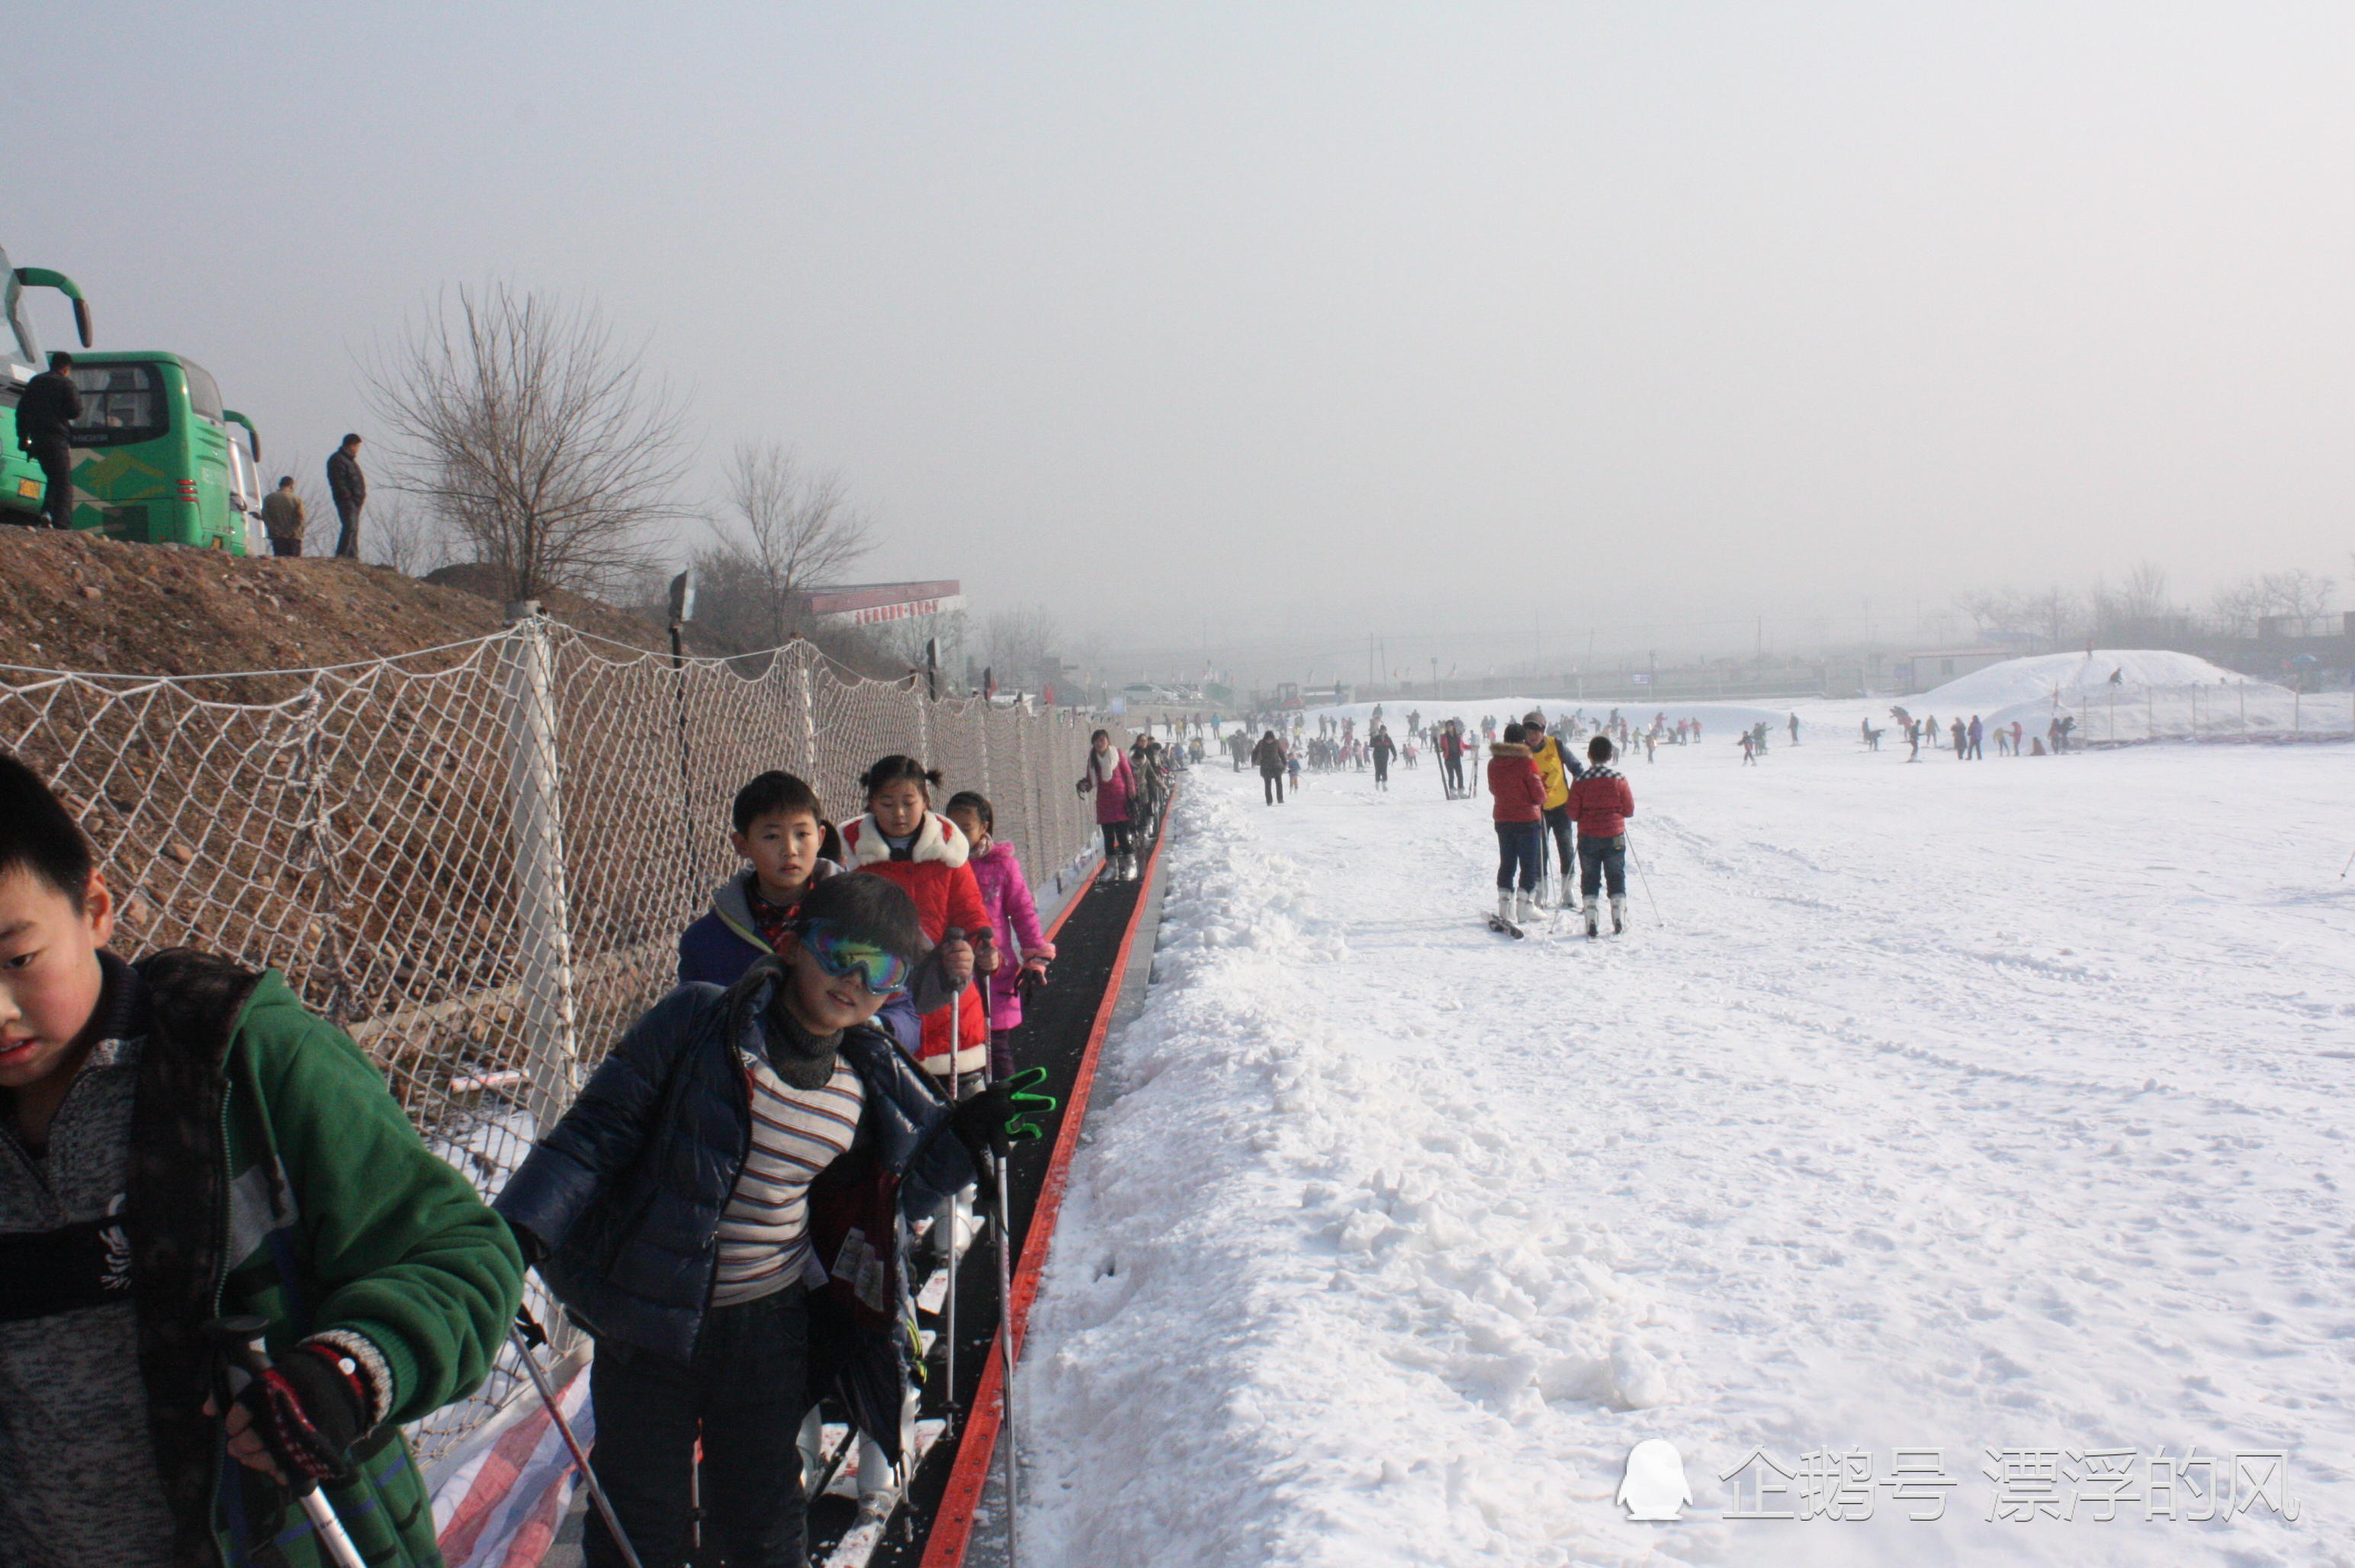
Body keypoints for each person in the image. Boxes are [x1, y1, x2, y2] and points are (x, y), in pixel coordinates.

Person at [0, 753, 522, 1568]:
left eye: (18, 958)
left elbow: (459, 1254)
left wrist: (347, 1371)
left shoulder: (243, 1062)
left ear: (95, 908)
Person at [496, 874, 1021, 1568]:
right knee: (638, 1513)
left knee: (764, 1512)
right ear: (795, 942)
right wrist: (514, 1239)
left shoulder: (864, 1080)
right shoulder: (701, 1020)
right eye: (840, 953)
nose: (855, 980)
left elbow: (890, 1205)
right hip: (650, 1319)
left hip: (767, 1325)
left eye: (883, 970)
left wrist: (963, 1143)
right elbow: (596, 1134)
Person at [676, 770, 962, 1061]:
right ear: (742, 844)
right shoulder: (707, 940)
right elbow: (697, 1026)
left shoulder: (867, 912)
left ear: (821, 835)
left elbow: (906, 1014)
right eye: (772, 836)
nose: (789, 850)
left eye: (802, 834)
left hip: (842, 1084)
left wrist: (868, 1031)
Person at [839, 757, 991, 1094]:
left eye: (909, 803)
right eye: (887, 804)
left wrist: (982, 950)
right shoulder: (851, 860)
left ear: (926, 801)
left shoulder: (949, 856)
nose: (900, 814)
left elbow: (971, 917)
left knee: (964, 1103)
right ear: (870, 803)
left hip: (948, 997)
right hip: (879, 996)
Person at [944, 791, 1054, 1080]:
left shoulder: (1001, 865)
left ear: (983, 828)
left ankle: (1008, 1113)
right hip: (952, 969)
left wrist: (1035, 955)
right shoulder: (941, 864)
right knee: (958, 1045)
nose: (958, 835)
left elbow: (1022, 910)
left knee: (996, 1047)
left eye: (966, 828)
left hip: (995, 969)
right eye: (951, 827)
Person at [1566, 734, 1635, 937]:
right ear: (1609, 755)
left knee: (1590, 876)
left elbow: (1573, 813)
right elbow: (1629, 809)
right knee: (1616, 874)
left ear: (1589, 755)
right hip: (1614, 834)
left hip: (1588, 835)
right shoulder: (1619, 779)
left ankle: (1591, 919)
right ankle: (1618, 916)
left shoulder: (1580, 781)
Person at [15, 351, 82, 529]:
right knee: (63, 482)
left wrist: (23, 439)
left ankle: (47, 513)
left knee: (54, 477)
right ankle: (61, 524)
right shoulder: (66, 384)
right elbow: (75, 411)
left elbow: (21, 412)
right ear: (66, 369)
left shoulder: (35, 382)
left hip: (37, 439)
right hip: (56, 439)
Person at [1488, 722, 1546, 924]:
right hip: (1527, 820)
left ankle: (1505, 906)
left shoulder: (1494, 763)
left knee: (1507, 862)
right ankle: (1526, 906)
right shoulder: (1527, 763)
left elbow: (1493, 789)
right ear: (1522, 741)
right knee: (1529, 864)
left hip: (1503, 817)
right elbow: (1538, 795)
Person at [1521, 710, 1579, 907]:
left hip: (1561, 806)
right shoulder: (1522, 751)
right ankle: (1541, 892)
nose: (1532, 736)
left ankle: (1567, 891)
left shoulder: (1556, 745)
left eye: (1536, 731)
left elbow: (1576, 767)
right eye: (1528, 732)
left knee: (1566, 848)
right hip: (1537, 811)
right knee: (1540, 852)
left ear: (1543, 731)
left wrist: (1581, 790)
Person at [1078, 729, 1139, 874]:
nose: (1099, 743)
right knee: (1108, 835)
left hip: (1120, 799)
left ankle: (1131, 865)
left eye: (1102, 740)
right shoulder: (1092, 759)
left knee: (1122, 834)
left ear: (1108, 741)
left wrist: (1132, 797)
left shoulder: (1117, 754)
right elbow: (1090, 781)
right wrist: (1084, 785)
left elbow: (1128, 776)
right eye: (1096, 741)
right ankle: (1112, 867)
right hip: (1104, 801)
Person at [326, 433, 366, 560]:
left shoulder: (350, 461)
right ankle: (343, 555)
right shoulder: (338, 459)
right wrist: (347, 495)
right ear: (352, 445)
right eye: (357, 446)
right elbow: (338, 481)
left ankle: (352, 556)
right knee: (350, 526)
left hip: (355, 500)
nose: (358, 449)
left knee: (354, 528)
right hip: (346, 500)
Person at [260, 475, 307, 557]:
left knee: (280, 561)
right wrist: (289, 532)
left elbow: (265, 517)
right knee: (294, 563)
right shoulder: (297, 499)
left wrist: (276, 530)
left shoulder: (269, 498)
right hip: (293, 537)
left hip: (277, 537)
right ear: (292, 486)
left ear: (280, 485)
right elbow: (301, 518)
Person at [1252, 728, 1287, 805]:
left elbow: (1281, 753)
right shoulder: (1261, 743)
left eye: (1271, 739)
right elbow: (1255, 752)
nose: (1269, 741)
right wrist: (1253, 761)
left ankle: (1280, 799)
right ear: (1265, 738)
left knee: (1279, 783)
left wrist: (1284, 763)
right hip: (1265, 767)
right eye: (1268, 739)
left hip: (1276, 766)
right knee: (1268, 785)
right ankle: (1269, 801)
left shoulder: (1276, 743)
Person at [1370, 725, 1396, 790]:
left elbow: (1392, 747)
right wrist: (1372, 737)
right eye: (1382, 731)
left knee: (1384, 771)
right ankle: (1377, 785)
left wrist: (1395, 755)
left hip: (1385, 757)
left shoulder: (1388, 739)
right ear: (1380, 731)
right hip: (1377, 757)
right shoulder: (1376, 738)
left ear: (1386, 731)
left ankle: (1384, 786)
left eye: (1384, 731)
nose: (1383, 732)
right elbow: (1371, 745)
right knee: (1378, 771)